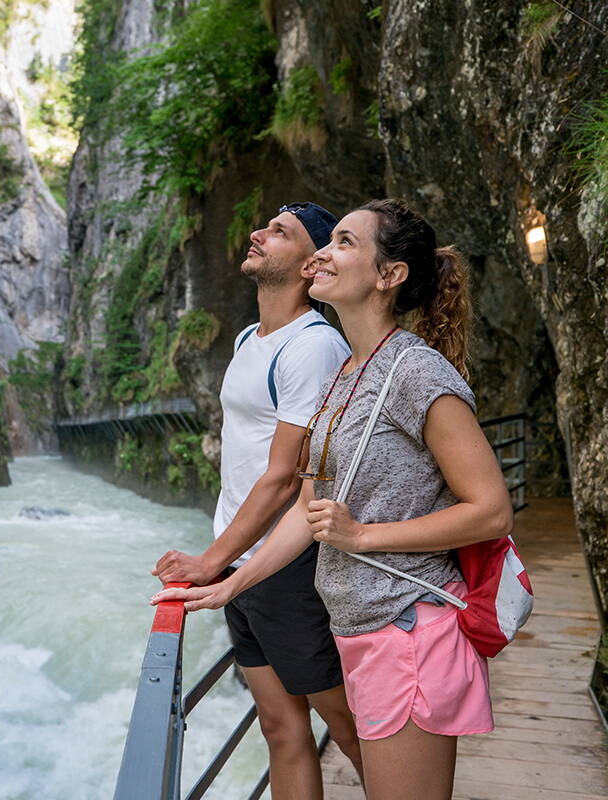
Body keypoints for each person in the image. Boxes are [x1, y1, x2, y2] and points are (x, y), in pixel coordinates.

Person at [153, 199, 514, 800]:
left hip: (408, 630)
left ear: (389, 275)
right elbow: (306, 509)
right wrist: (228, 583)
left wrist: (363, 536)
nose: (323, 253)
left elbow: (491, 509)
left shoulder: (416, 372)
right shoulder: (347, 375)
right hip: (360, 631)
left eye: (344, 242)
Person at [152, 202, 363, 799]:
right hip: (243, 560)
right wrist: (224, 558)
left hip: (288, 566)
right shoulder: (251, 337)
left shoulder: (313, 346)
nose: (258, 234)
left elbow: (282, 477)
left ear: (310, 264)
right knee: (278, 725)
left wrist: (209, 560)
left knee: (345, 726)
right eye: (265, 226)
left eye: (279, 232)